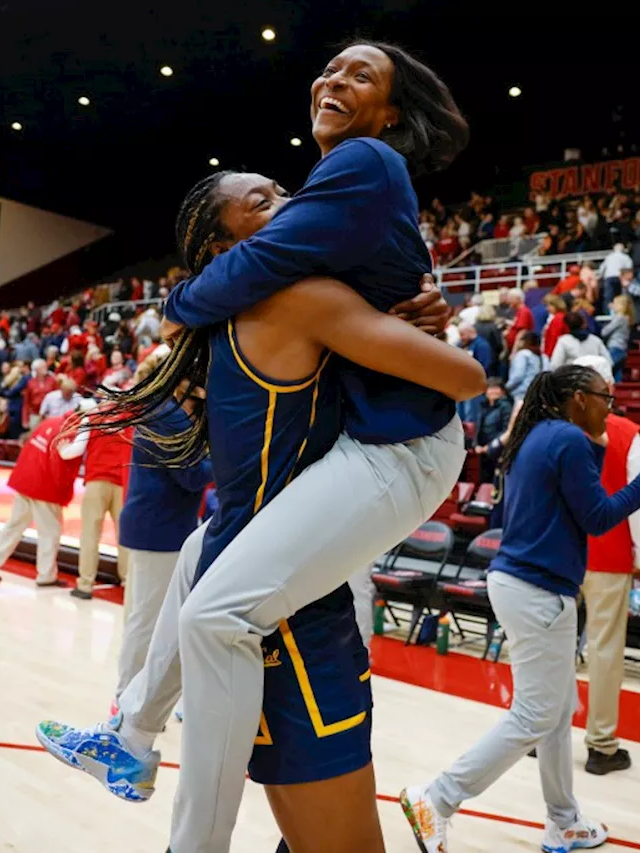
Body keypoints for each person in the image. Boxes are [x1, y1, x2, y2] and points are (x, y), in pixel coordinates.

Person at [40, 40, 478, 850]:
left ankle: (192, 836)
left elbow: (460, 370)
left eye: (361, 75)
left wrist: (178, 300)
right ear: (216, 237)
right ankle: (132, 735)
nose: (335, 80)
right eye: (332, 68)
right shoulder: (268, 293)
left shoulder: (358, 176)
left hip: (398, 445)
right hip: (334, 463)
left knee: (215, 613)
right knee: (203, 562)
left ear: (390, 112)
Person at [400, 365, 640, 852]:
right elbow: (598, 517)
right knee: (535, 715)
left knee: (558, 712)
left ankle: (564, 820)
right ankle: (437, 797)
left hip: (524, 583)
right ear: (579, 398)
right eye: (606, 398)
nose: (611, 408)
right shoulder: (568, 440)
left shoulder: (539, 435)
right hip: (536, 589)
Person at [112, 356, 212, 706]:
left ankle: (139, 696)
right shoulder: (167, 417)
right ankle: (126, 698)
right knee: (147, 620)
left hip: (156, 526)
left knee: (149, 618)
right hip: (159, 529)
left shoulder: (160, 412)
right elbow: (193, 475)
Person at [574, 355, 640, 777]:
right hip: (610, 552)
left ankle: (540, 733)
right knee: (604, 652)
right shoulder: (626, 433)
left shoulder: (552, 431)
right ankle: (601, 747)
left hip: (562, 554)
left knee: (556, 649)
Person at [0, 413, 84, 586]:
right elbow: (62, 464)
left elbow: (29, 445)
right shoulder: (72, 432)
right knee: (49, 533)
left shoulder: (51, 421)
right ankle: (46, 575)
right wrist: (63, 494)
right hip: (46, 487)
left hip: (26, 480)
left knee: (14, 525)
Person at [70, 399, 133, 600]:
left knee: (90, 535)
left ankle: (85, 584)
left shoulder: (93, 418)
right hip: (122, 482)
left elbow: (77, 449)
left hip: (97, 480)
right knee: (124, 537)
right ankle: (128, 582)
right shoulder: (131, 420)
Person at [602, 294, 635, 380]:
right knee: (617, 374)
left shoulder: (620, 318)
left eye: (614, 303)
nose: (612, 305)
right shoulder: (626, 318)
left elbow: (604, 332)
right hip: (622, 348)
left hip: (615, 348)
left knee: (607, 372)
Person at [507, 330, 543, 399]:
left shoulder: (523, 355)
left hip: (521, 393)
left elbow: (517, 376)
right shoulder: (544, 357)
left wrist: (506, 388)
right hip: (538, 393)